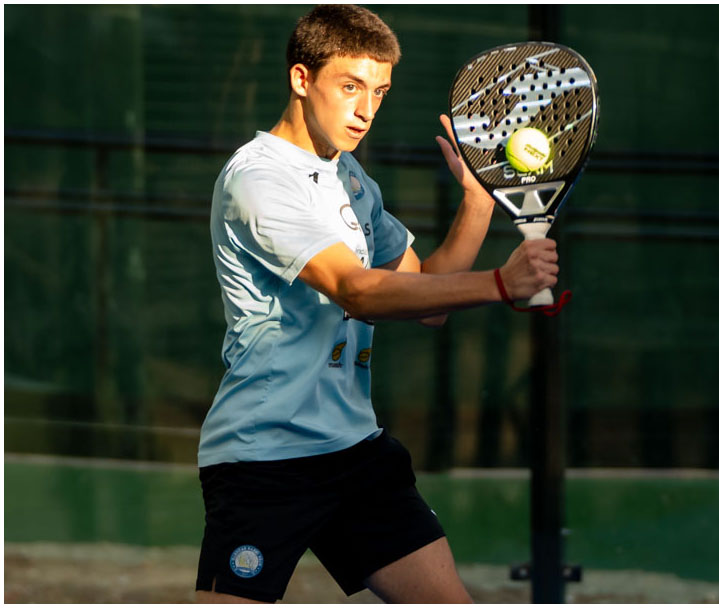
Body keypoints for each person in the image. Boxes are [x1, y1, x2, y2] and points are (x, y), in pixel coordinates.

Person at [195, 4, 559, 603]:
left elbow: (427, 297)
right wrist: (501, 283)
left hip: (355, 451)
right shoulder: (258, 178)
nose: (366, 109)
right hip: (266, 457)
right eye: (350, 87)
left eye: (380, 92)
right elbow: (357, 291)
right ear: (301, 78)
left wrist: (477, 202)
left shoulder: (352, 179)